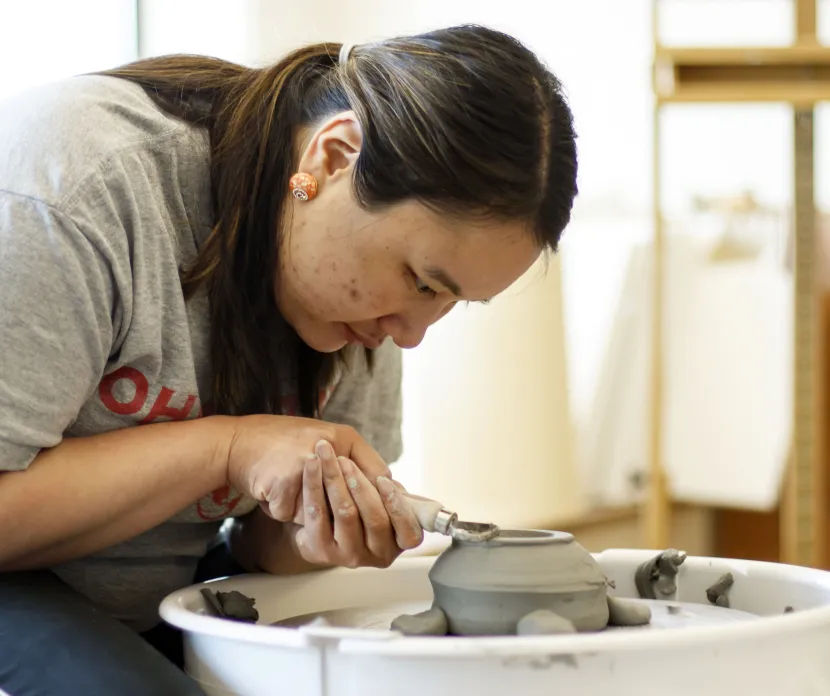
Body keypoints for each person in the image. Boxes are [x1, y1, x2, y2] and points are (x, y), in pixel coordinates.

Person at [0, 23, 578, 696]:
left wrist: (309, 535)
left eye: (452, 301)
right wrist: (229, 450)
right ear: (334, 158)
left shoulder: (356, 310)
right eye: (423, 280)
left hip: (150, 599)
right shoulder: (77, 188)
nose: (412, 333)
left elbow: (254, 547)